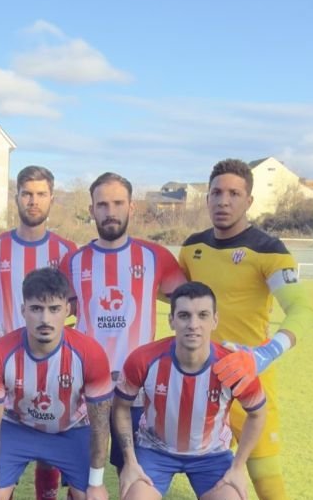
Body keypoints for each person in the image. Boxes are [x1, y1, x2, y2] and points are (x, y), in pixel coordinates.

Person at [178, 159, 313, 500]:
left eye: (234, 193)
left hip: (249, 379)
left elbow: (302, 309)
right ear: (207, 198)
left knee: (267, 479)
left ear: (249, 201)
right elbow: (174, 296)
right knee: (206, 476)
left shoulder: (268, 250)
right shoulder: (192, 248)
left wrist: (265, 354)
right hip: (202, 383)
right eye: (216, 193)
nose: (224, 201)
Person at [62, 172, 186, 472]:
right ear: (91, 210)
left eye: (118, 203)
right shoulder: (74, 262)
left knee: (132, 473)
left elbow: (188, 306)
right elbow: (56, 315)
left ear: (132, 207)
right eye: (102, 205)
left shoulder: (156, 257)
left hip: (139, 389)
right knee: (82, 477)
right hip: (85, 388)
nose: (110, 211)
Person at [113, 281, 267, 500]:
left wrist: (238, 466)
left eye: (203, 315)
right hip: (154, 450)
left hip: (211, 455)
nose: (193, 324)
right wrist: (130, 461)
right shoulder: (144, 359)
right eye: (184, 315)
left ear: (215, 320)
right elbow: (121, 408)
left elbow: (258, 413)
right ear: (171, 320)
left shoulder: (233, 366)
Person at [0, 165, 76, 500]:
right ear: (16, 197)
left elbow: (71, 304)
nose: (32, 201)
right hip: (7, 363)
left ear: (51, 198)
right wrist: (4, 330)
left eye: (40, 194)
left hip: (53, 361)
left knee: (50, 435)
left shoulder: (66, 250)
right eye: (26, 194)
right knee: (2, 443)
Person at [0, 267, 113, 500]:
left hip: (71, 430)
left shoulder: (90, 353)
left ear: (67, 310)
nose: (45, 319)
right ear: (23, 310)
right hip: (17, 428)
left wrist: (97, 483)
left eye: (54, 309)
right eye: (36, 309)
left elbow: (100, 423)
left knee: (95, 498)